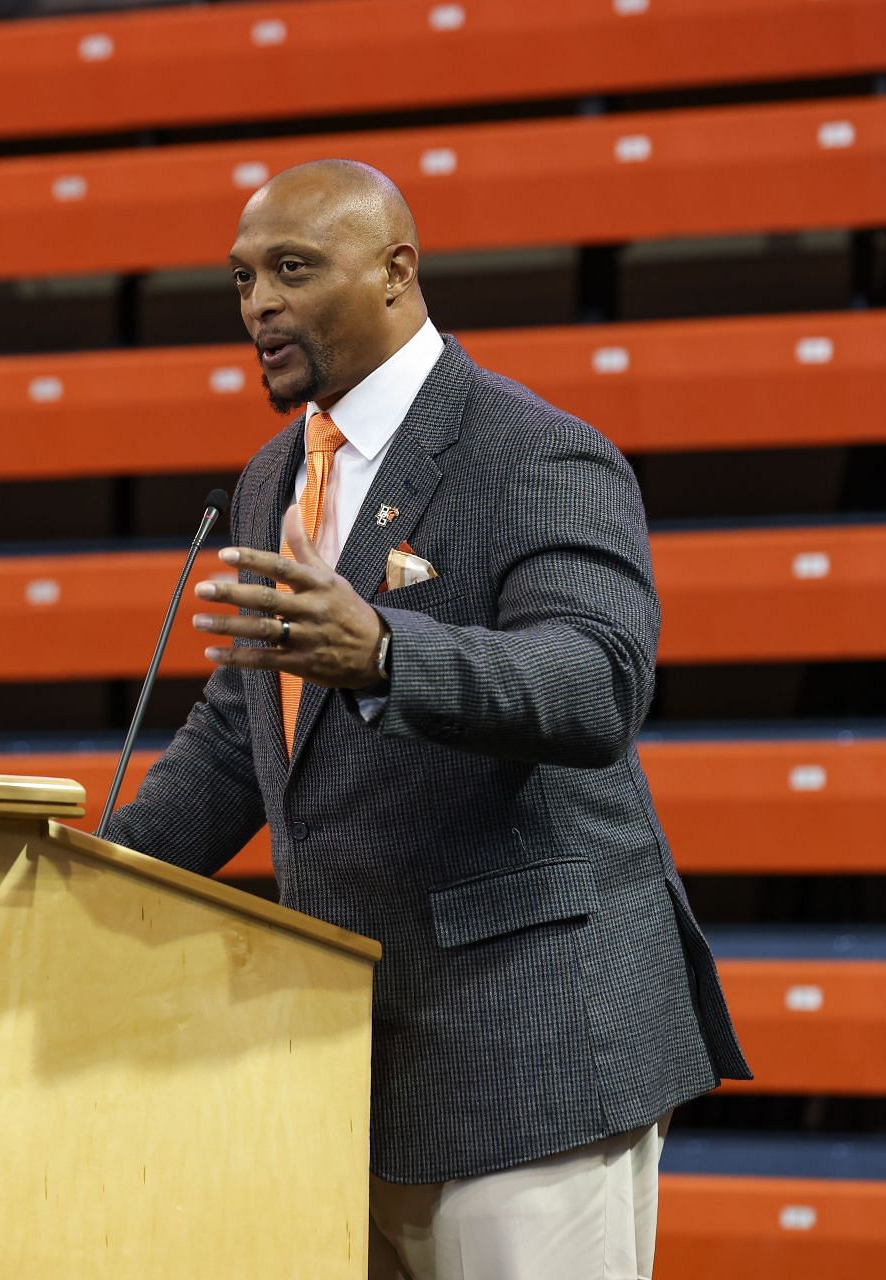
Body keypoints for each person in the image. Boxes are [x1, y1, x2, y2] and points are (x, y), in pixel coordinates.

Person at [102, 159, 749, 1280]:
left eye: (293, 270)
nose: (258, 304)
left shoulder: (534, 449)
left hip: (534, 1049)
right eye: (243, 277)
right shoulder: (270, 480)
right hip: (358, 1056)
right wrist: (87, 879)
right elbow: (242, 735)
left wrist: (389, 651)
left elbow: (596, 681)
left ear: (398, 271)